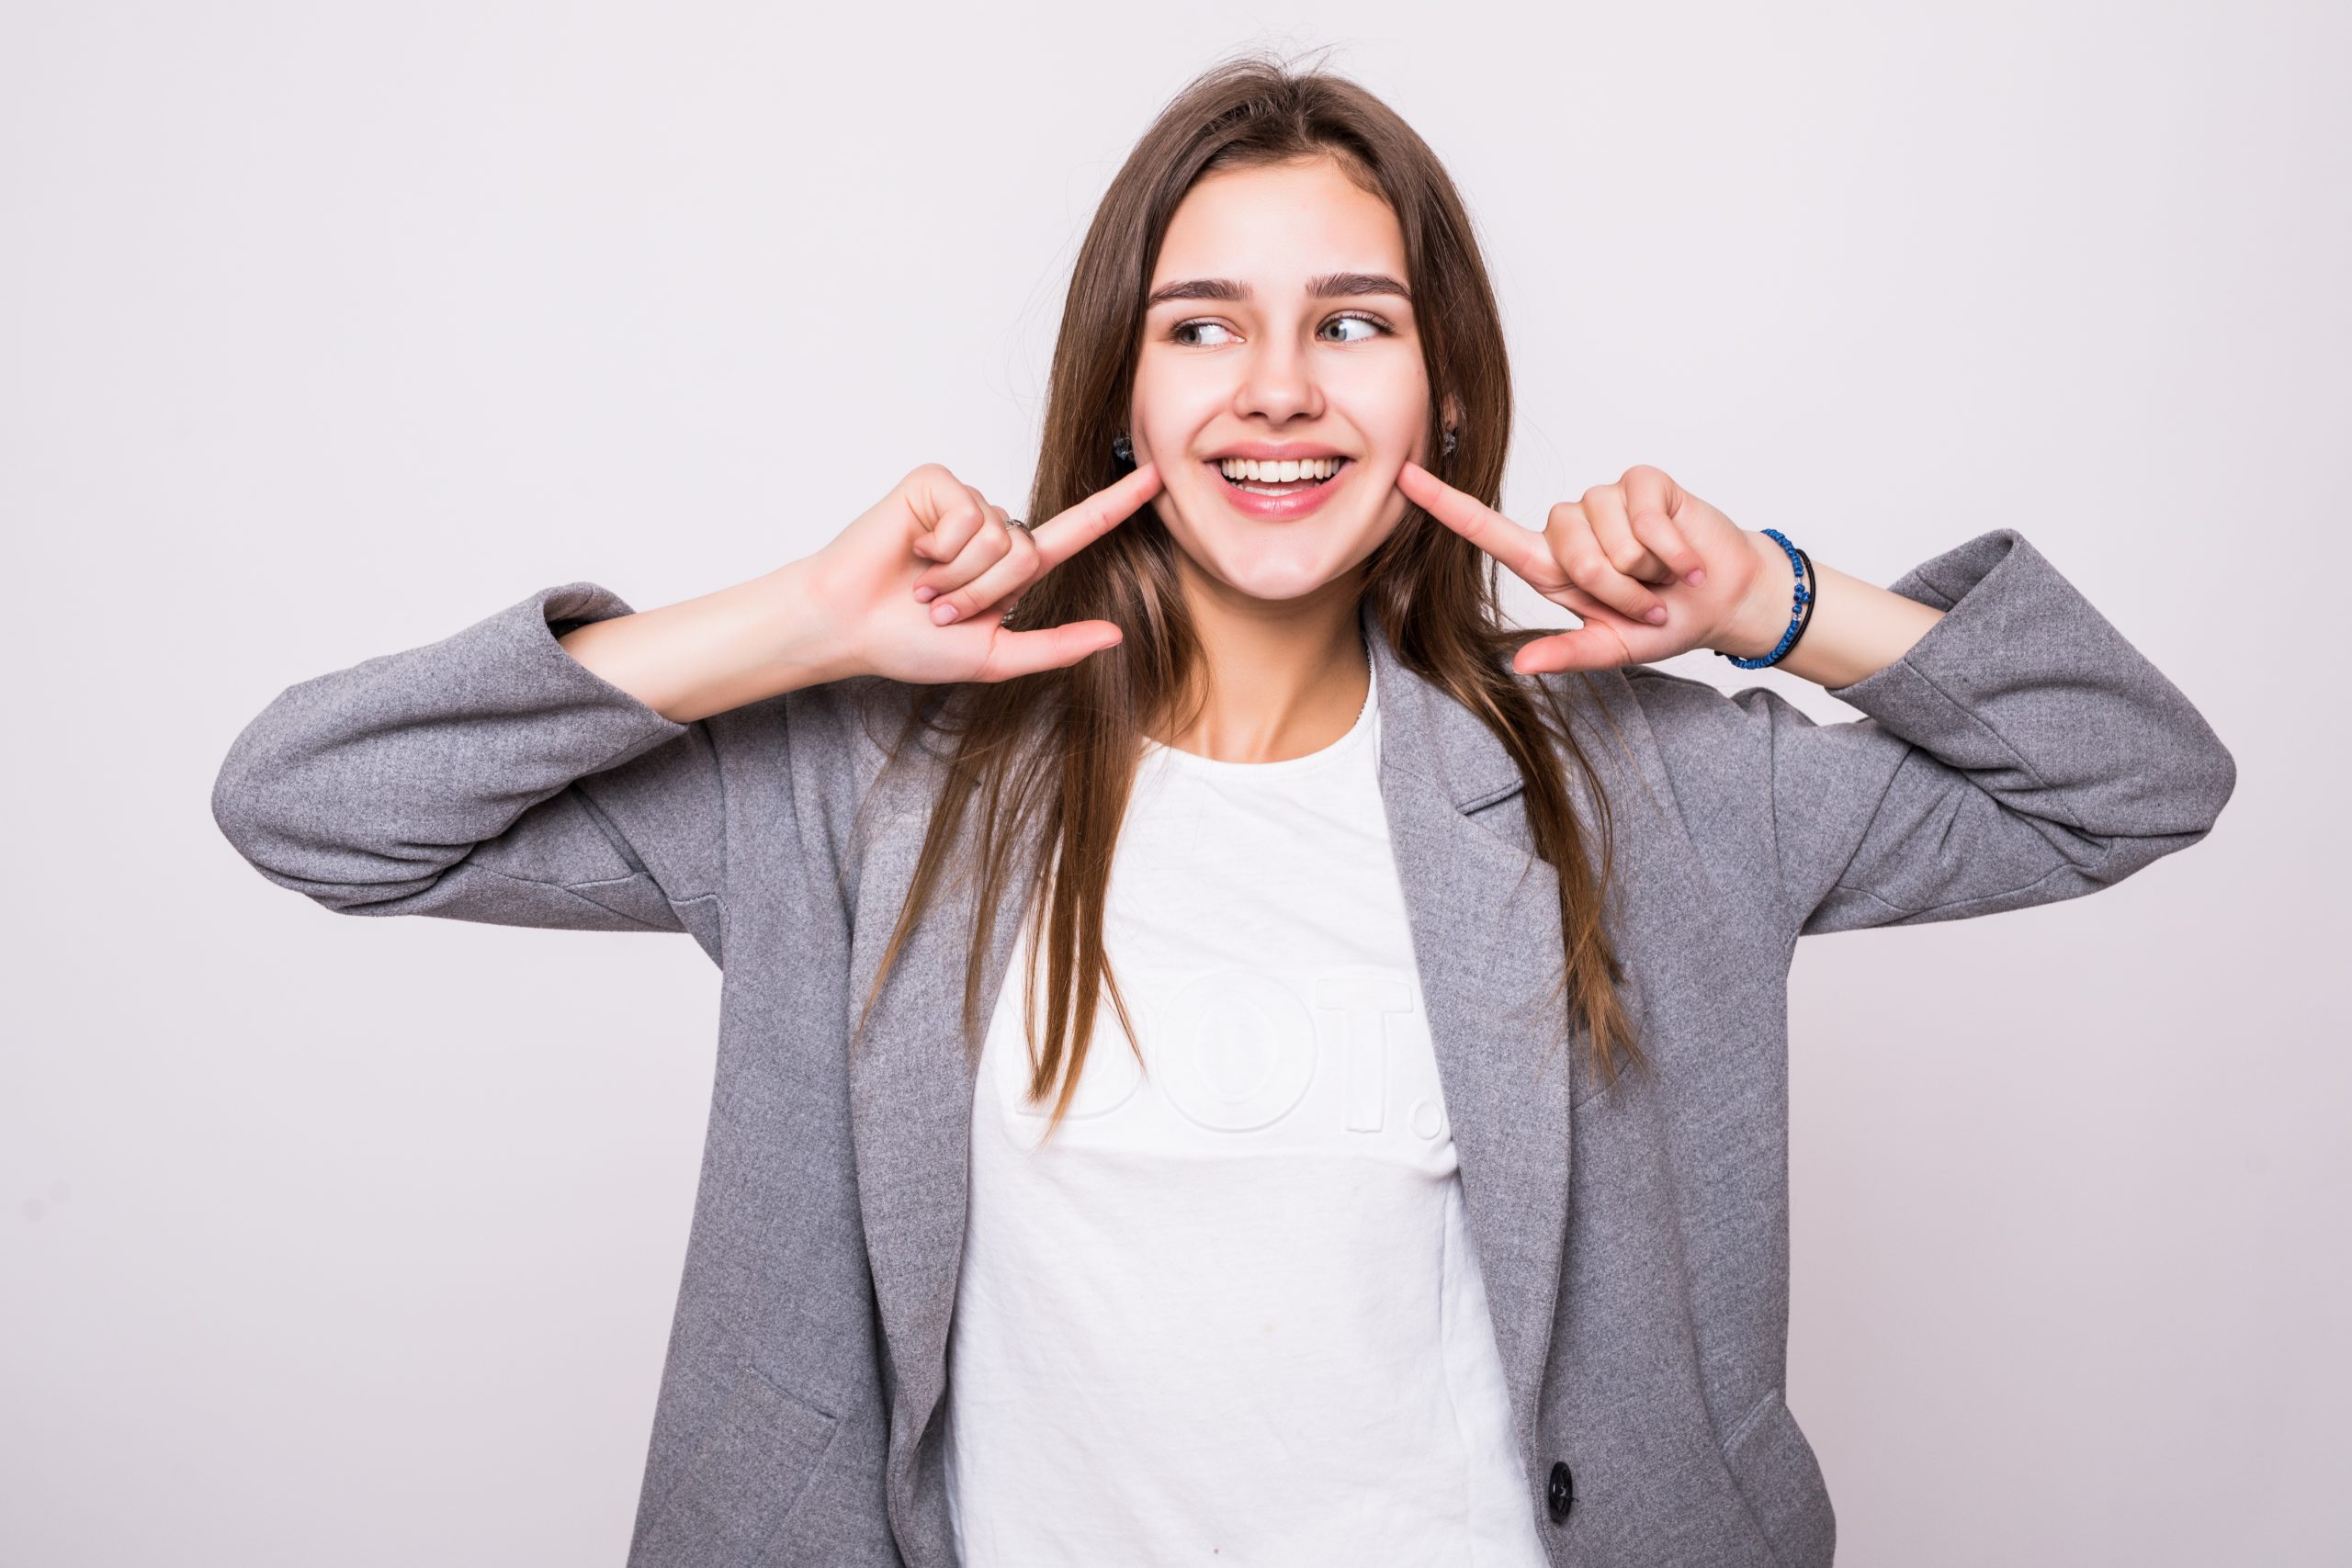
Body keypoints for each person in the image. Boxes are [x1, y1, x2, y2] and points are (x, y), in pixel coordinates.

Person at [209, 52, 2236, 1568]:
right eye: (1204, 328)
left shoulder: (1646, 790)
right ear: (1124, 392)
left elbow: (2131, 777)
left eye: (1349, 322)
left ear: (1438, 394)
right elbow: (315, 804)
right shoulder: (860, 784)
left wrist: (1774, 605)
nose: (1276, 388)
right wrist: (794, 624)